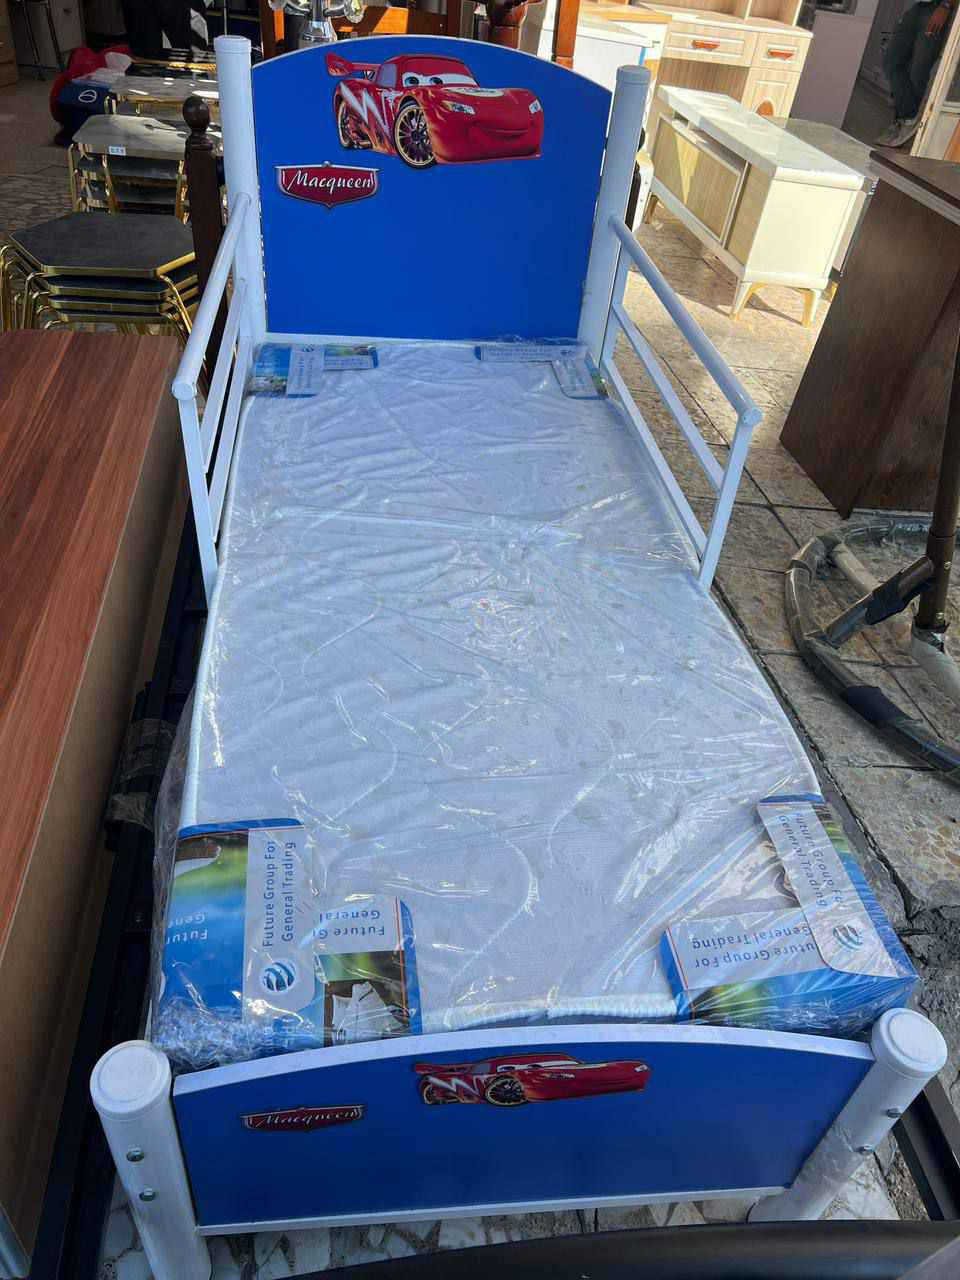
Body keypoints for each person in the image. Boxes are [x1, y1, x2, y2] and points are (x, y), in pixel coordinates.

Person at [878, 0, 955, 148]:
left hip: (937, 7)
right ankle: (908, 117)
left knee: (918, 70)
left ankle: (904, 121)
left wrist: (945, 5)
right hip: (917, 7)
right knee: (891, 61)